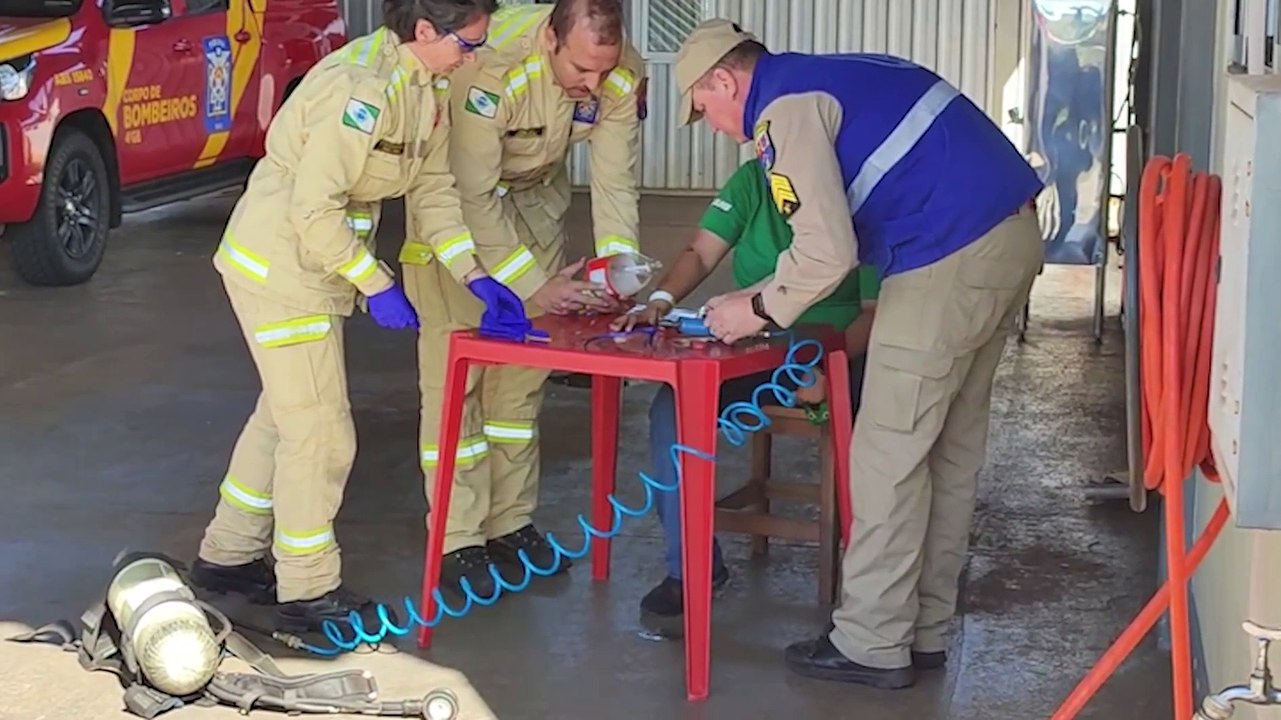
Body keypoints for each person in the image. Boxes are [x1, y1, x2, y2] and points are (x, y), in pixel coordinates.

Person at [673, 20, 1045, 688]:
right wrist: (763, 293)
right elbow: (822, 248)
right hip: (1006, 238)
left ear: (724, 81)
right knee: (947, 447)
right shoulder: (835, 71)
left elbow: (825, 253)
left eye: (706, 110)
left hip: (945, 254)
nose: (720, 129)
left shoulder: (782, 113)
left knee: (885, 452)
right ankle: (923, 629)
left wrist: (751, 310)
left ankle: (872, 642)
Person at [187, 0, 527, 634]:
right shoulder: (360, 88)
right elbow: (314, 210)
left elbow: (432, 192)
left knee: (284, 417)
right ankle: (307, 592)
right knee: (320, 433)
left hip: (312, 269)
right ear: (426, 31)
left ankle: (227, 556)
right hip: (282, 268)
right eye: (467, 44)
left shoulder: (426, 87)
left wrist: (476, 275)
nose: (473, 57)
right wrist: (377, 284)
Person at [402, 0, 646, 599]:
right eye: (580, 70)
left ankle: (509, 523)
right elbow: (473, 194)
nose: (591, 85)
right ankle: (458, 538)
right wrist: (534, 286)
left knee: (520, 387)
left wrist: (622, 276)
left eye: (601, 71)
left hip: (537, 206)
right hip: (460, 221)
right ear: (550, 39)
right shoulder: (492, 69)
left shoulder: (617, 71)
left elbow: (615, 183)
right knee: (459, 383)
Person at [610, 157, 880, 637]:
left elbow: (873, 314)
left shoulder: (859, 193)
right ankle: (691, 568)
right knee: (673, 408)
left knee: (888, 431)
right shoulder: (756, 179)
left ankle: (869, 591)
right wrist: (660, 301)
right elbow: (702, 250)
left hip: (838, 352)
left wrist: (822, 366)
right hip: (759, 344)